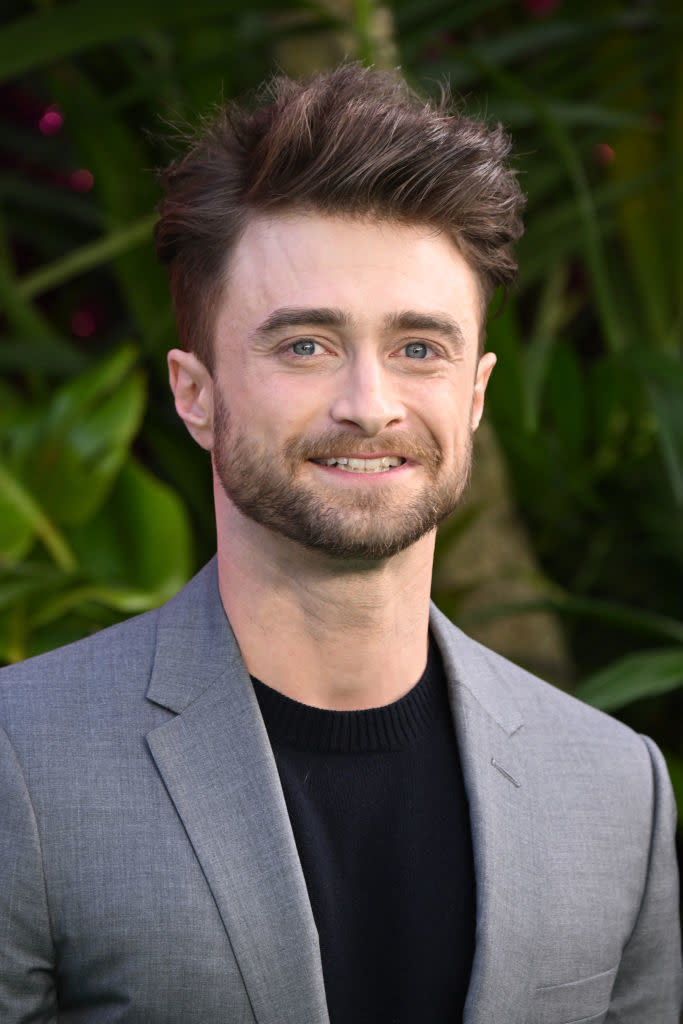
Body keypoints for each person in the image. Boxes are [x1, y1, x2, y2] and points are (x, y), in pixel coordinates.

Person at [0, 64, 680, 1024]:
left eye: (418, 348)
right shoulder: (19, 760)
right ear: (195, 395)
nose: (369, 405)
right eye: (305, 346)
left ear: (475, 393)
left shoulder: (616, 789)